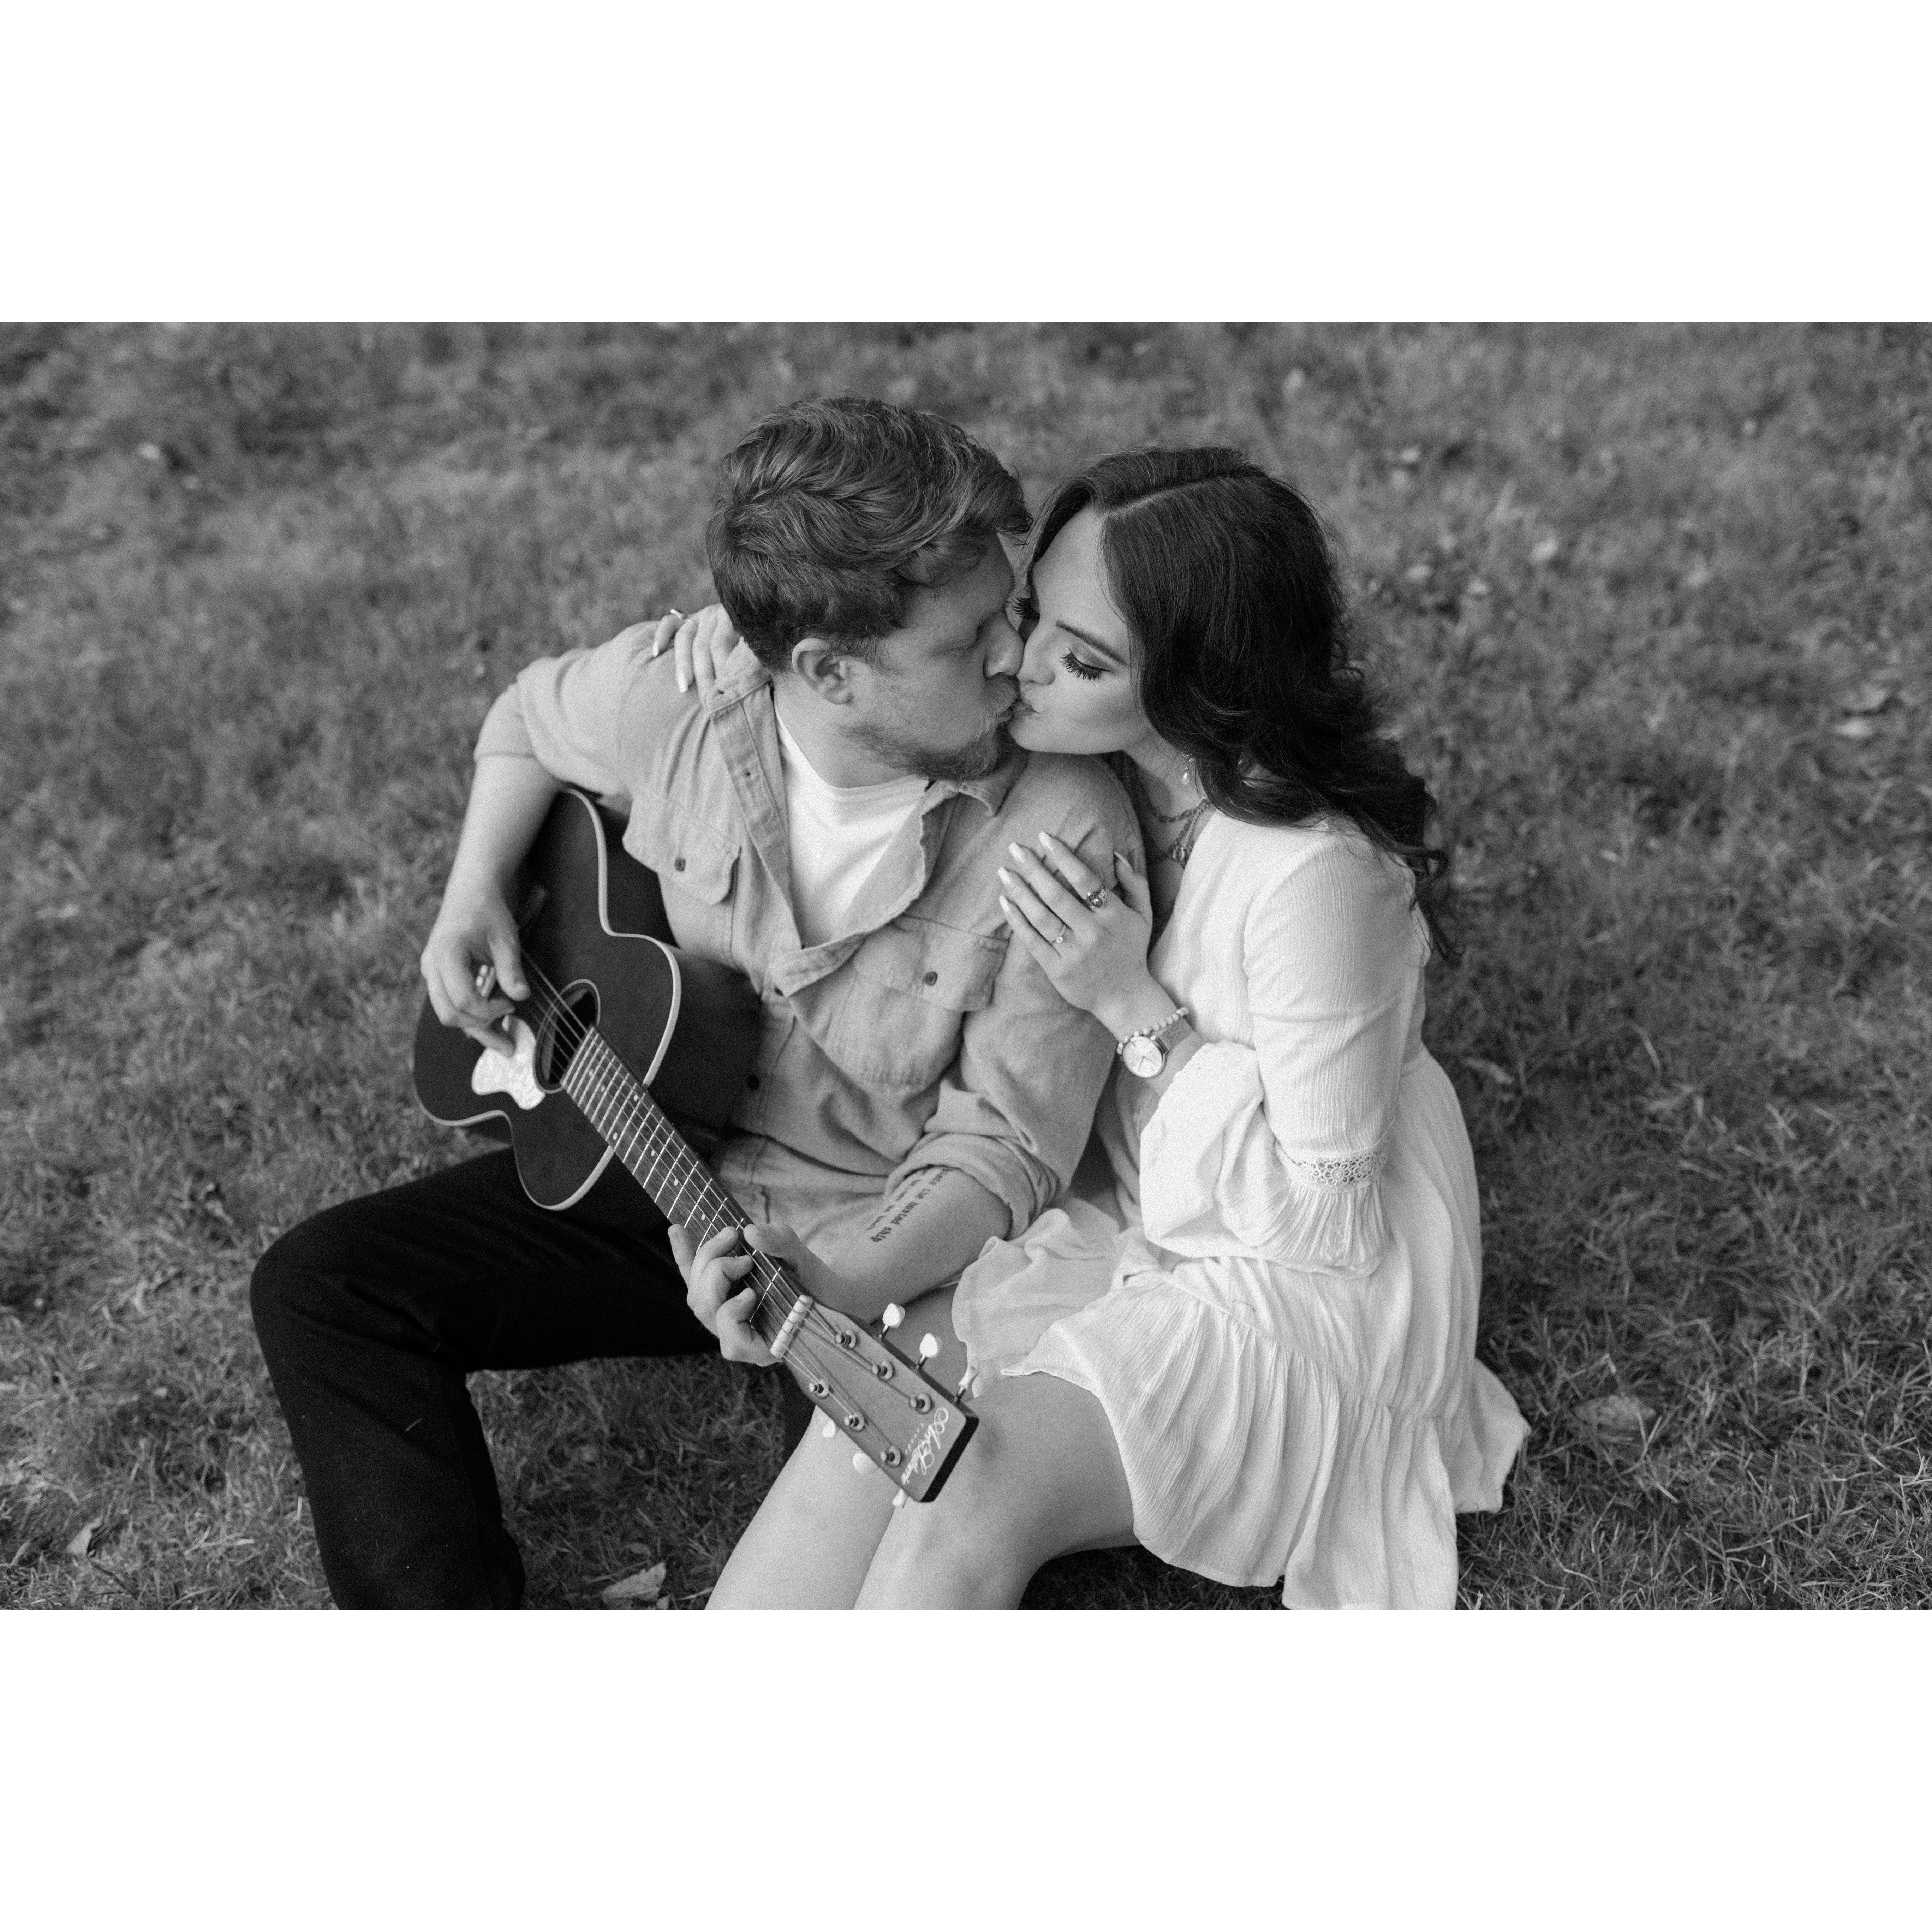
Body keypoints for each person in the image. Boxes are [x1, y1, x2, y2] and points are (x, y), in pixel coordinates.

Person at [248, 396, 1142, 1608]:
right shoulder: (680, 694)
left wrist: (835, 1282)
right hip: (649, 1152)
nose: (1013, 659)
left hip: (859, 1239)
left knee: (874, 1551)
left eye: (1012, 610)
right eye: (969, 638)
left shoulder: (1063, 828)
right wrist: (472, 896)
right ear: (825, 670)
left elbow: (1004, 1149)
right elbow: (526, 719)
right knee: (322, 1284)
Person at [678, 446, 1529, 1610]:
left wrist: (1134, 1004)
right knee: (880, 1395)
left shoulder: (1316, 877)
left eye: (1080, 660)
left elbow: (1329, 1222)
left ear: (1194, 691)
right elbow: (839, 679)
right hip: (1134, 1220)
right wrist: (744, 647)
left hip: (1302, 1294)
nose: (1015, 666)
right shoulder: (1099, 774)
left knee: (971, 1485)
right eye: (1033, 618)